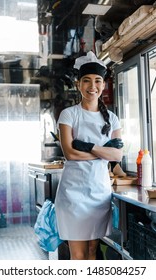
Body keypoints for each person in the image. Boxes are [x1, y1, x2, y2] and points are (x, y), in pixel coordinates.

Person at [54, 51, 123, 260]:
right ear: (78, 84)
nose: (92, 86)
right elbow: (70, 154)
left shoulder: (111, 118)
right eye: (86, 81)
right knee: (79, 254)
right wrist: (103, 153)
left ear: (103, 85)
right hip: (73, 194)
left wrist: (88, 146)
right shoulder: (69, 114)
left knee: (93, 250)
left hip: (99, 192)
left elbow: (117, 155)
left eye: (97, 81)